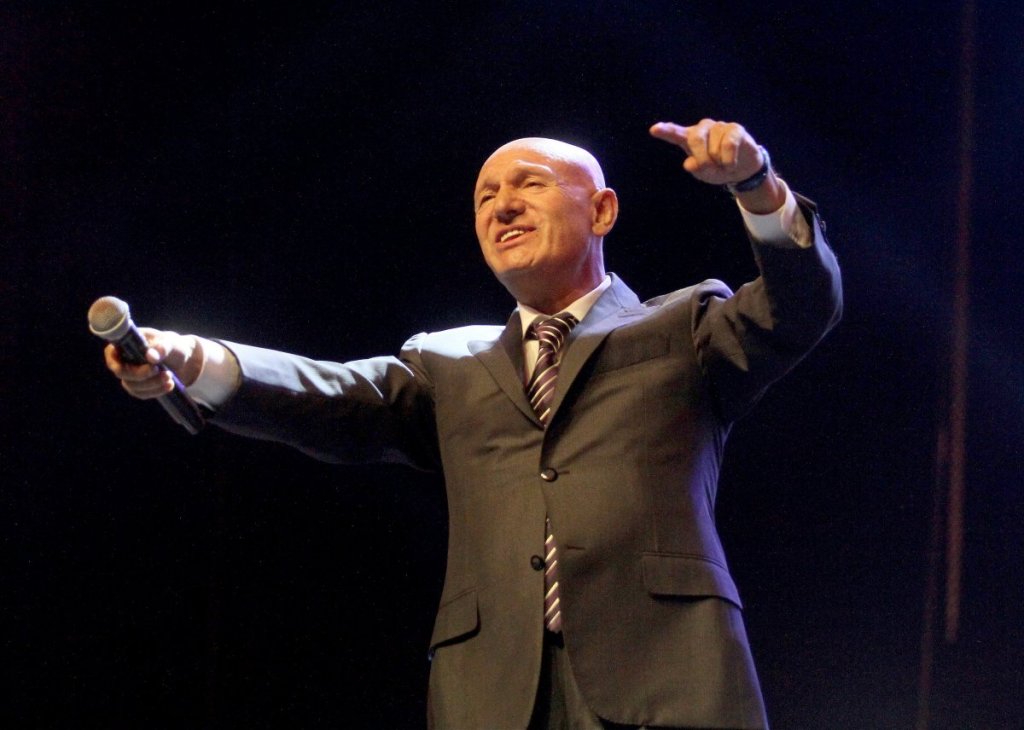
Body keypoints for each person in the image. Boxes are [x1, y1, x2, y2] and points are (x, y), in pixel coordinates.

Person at [106, 119, 842, 729]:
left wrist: (756, 185)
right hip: (493, 692)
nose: (502, 206)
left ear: (602, 212)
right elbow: (332, 396)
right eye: (485, 196)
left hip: (668, 677)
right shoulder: (447, 362)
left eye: (530, 184)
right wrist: (194, 359)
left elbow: (801, 306)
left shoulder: (683, 325)